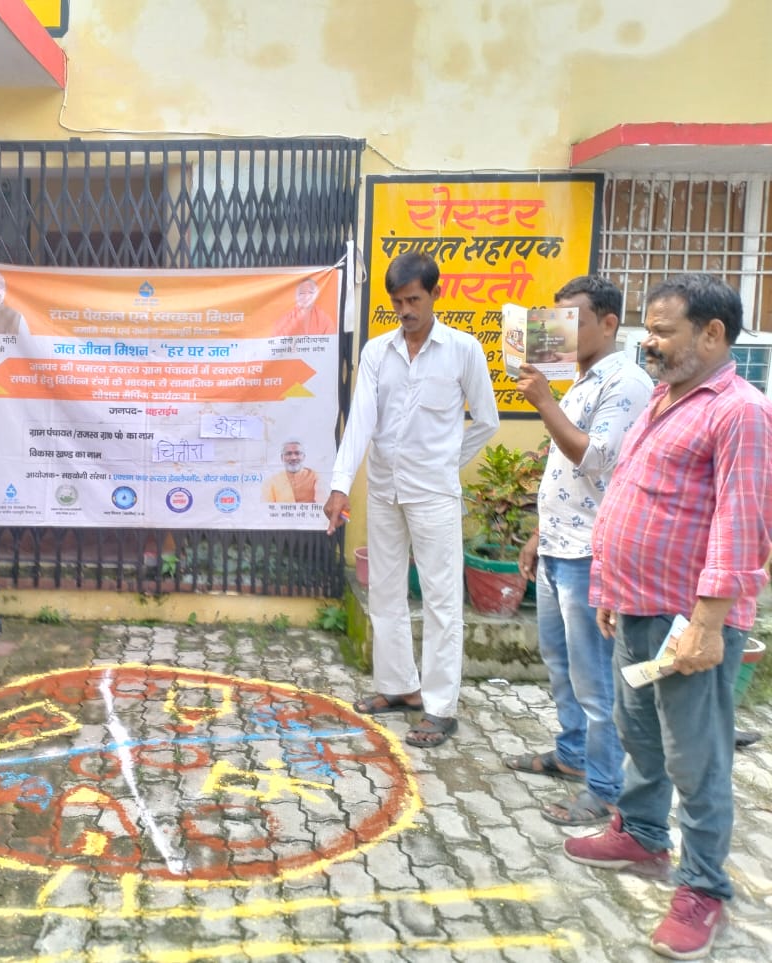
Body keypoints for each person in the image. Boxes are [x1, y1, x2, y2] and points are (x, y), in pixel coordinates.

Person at [564, 274, 772, 960]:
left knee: (696, 756)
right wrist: (608, 588)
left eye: (662, 331)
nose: (647, 343)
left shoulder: (740, 412)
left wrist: (709, 623)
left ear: (712, 334)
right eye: (646, 329)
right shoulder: (664, 397)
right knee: (638, 730)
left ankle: (703, 887)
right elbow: (633, 492)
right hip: (637, 603)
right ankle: (642, 834)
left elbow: (743, 525)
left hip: (689, 620)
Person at [324, 251, 498, 748]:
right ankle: (400, 686)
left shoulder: (463, 350)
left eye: (414, 300)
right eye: (398, 302)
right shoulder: (378, 352)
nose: (406, 311)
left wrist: (444, 463)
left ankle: (440, 708)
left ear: (436, 294)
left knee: (442, 600)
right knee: (384, 590)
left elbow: (486, 420)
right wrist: (340, 484)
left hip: (434, 494)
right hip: (385, 488)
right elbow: (361, 419)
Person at [503, 277, 653, 826]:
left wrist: (543, 400)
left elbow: (595, 458)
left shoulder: (626, 382)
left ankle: (605, 788)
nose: (562, 332)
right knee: (560, 664)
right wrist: (538, 533)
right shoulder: (583, 380)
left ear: (609, 323)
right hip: (559, 545)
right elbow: (566, 473)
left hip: (591, 554)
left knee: (594, 679)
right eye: (558, 319)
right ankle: (571, 755)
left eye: (574, 320)